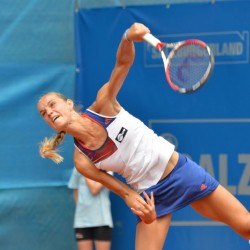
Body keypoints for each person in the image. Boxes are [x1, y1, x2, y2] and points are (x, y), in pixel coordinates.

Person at [37, 22, 250, 250]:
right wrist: (141, 208)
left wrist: (127, 37)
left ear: (69, 104)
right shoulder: (82, 160)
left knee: (246, 225)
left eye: (52, 105)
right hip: (151, 196)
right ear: (51, 125)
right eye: (44, 114)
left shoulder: (103, 104)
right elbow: (125, 192)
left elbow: (123, 62)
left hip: (180, 172)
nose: (49, 112)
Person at [68, 167, 113, 250]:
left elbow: (94, 189)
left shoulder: (108, 169)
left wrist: (84, 170)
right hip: (81, 221)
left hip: (102, 221)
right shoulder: (77, 168)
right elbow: (75, 190)